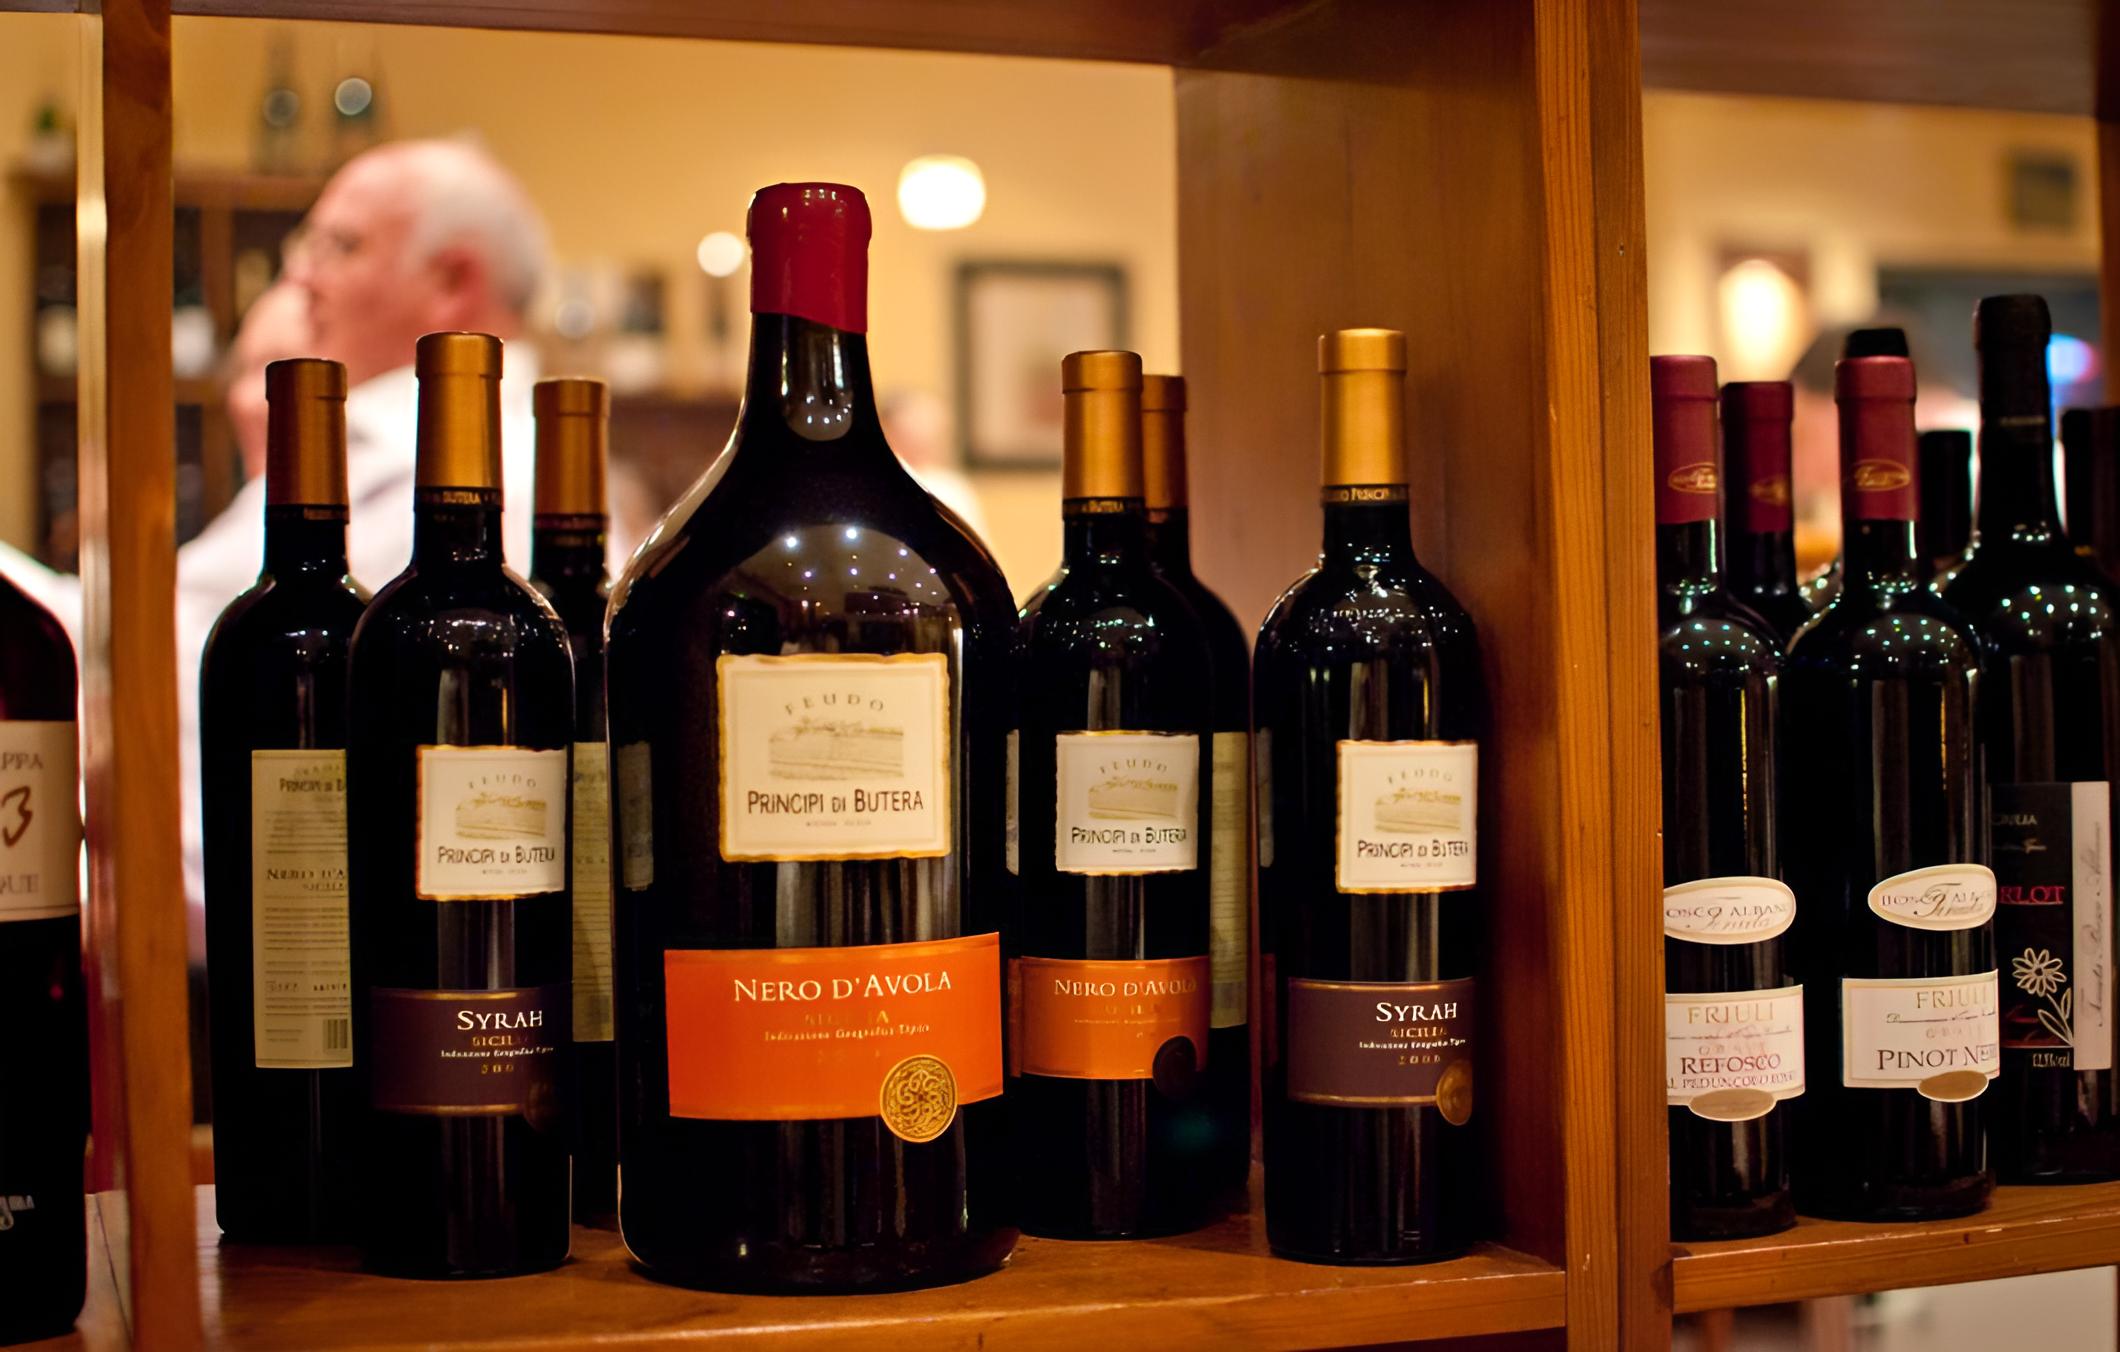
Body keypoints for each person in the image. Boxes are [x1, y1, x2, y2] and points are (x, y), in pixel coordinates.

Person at [0, 136, 563, 956]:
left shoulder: (447, 476)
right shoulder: (374, 455)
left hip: (267, 948)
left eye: (339, 245)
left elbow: (138, 657)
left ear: (452, 281)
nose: (299, 276)